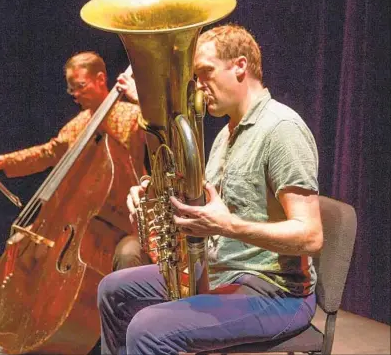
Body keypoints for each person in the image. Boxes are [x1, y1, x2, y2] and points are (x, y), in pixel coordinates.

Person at [97, 24, 323, 354]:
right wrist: (152, 194)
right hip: (222, 275)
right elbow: (206, 206)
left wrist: (227, 225)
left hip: (275, 291)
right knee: (112, 290)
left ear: (241, 66)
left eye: (205, 73)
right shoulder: (225, 135)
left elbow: (311, 235)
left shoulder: (282, 129)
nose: (198, 88)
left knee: (149, 328)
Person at [0, 51, 151, 271]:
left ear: (100, 79)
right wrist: (3, 161)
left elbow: (158, 129)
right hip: (84, 222)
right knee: (33, 253)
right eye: (72, 89)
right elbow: (47, 153)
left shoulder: (132, 115)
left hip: (126, 219)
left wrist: (141, 99)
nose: (75, 94)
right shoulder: (76, 126)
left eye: (80, 85)